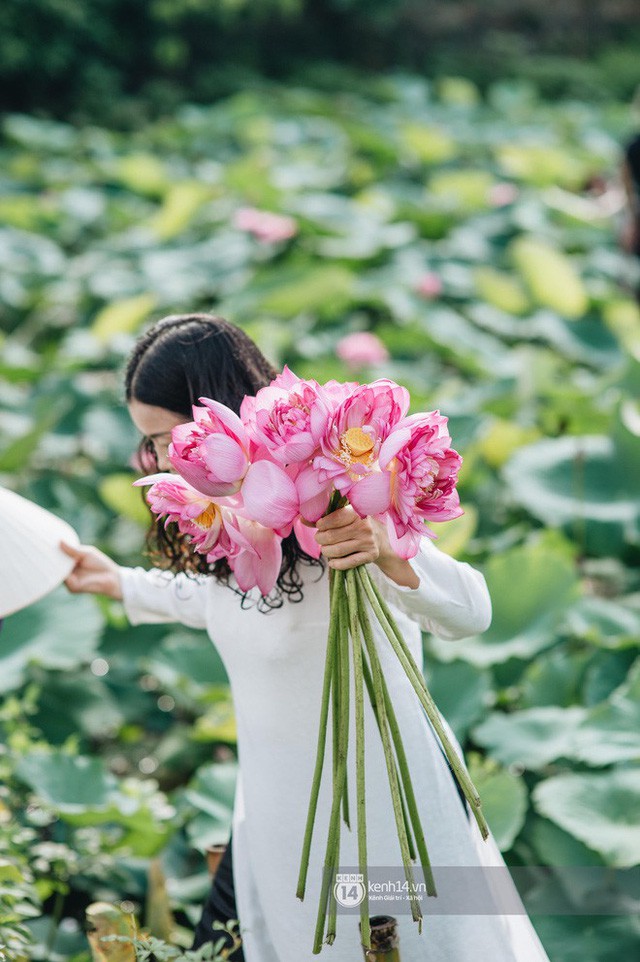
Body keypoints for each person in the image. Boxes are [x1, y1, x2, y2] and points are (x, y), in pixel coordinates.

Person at [62, 313, 551, 962]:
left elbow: (472, 611)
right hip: (276, 821)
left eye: (163, 439)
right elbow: (217, 602)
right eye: (149, 447)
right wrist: (115, 582)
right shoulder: (234, 529)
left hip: (378, 823)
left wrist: (388, 550)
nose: (157, 463)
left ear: (221, 420)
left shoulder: (343, 513)